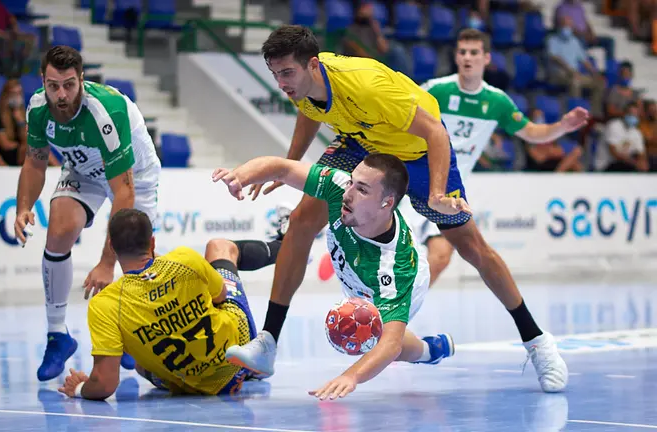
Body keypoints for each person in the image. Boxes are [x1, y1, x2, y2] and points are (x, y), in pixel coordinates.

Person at [232, 25, 578, 393]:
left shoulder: (366, 88)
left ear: (313, 65)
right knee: (302, 218)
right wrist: (290, 163)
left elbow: (436, 133)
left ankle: (537, 341)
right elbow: (310, 110)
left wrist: (438, 192)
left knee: (472, 247)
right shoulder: (301, 82)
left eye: (287, 73)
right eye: (276, 74)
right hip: (362, 143)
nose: (281, 82)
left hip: (420, 154)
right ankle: (268, 341)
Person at [214, 154, 454, 400]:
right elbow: (282, 168)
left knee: (380, 338)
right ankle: (432, 349)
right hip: (355, 269)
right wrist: (240, 175)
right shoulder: (340, 188)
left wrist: (351, 376)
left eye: (362, 189)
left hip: (389, 285)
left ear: (386, 202)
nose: (349, 193)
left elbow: (390, 346)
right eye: (352, 181)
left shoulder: (394, 272)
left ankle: (426, 351)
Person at [13, 45, 162, 382]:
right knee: (60, 230)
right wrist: (23, 205)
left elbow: (124, 192)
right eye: (53, 86)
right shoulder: (38, 107)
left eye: (69, 85)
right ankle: (57, 334)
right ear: (43, 81)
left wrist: (107, 262)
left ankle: (131, 331)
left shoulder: (106, 113)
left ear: (81, 79)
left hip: (134, 174)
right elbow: (35, 161)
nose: (61, 94)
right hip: (83, 169)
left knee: (134, 257)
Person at [413, 28, 589, 283]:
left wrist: (562, 126)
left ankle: (397, 316)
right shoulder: (436, 90)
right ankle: (380, 315)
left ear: (486, 58)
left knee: (440, 258)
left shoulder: (497, 101)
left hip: (449, 192)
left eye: (474, 52)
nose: (467, 58)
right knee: (397, 258)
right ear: (456, 57)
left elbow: (531, 132)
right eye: (462, 52)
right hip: (415, 181)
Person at [57, 208, 282, 398]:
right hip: (236, 351)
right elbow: (221, 296)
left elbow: (105, 384)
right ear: (152, 242)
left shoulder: (105, 304)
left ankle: (244, 369)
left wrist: (78, 388)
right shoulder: (183, 259)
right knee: (220, 247)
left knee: (140, 364)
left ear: (113, 249)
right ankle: (287, 246)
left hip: (195, 388)